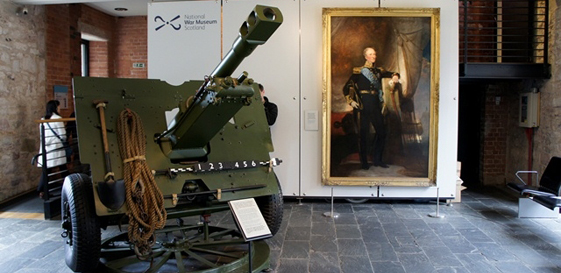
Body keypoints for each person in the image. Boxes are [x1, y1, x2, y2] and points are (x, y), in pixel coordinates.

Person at [343, 47, 399, 169]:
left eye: (374, 54)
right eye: (370, 54)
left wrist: (395, 76)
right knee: (364, 134)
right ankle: (364, 163)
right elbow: (346, 88)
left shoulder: (379, 70)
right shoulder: (358, 71)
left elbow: (392, 73)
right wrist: (351, 101)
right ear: (365, 56)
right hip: (363, 104)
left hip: (375, 104)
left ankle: (377, 159)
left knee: (381, 132)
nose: (373, 56)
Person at [36, 100, 67, 197]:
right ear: (55, 107)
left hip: (46, 149)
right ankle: (69, 188)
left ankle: (42, 190)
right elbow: (63, 135)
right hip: (56, 148)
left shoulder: (42, 119)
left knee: (47, 170)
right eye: (58, 106)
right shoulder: (58, 119)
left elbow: (42, 135)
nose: (60, 108)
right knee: (63, 168)